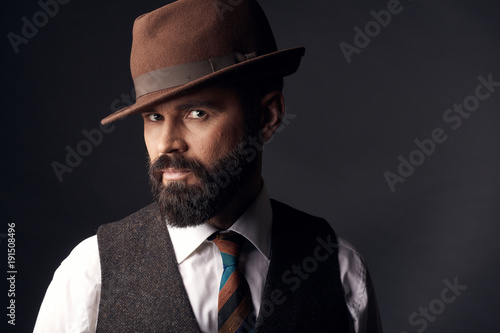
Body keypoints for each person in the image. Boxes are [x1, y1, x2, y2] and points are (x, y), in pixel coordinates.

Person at [34, 0, 383, 332]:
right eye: (154, 117)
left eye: (196, 113)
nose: (166, 142)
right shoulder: (89, 276)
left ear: (267, 116)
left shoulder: (340, 270)